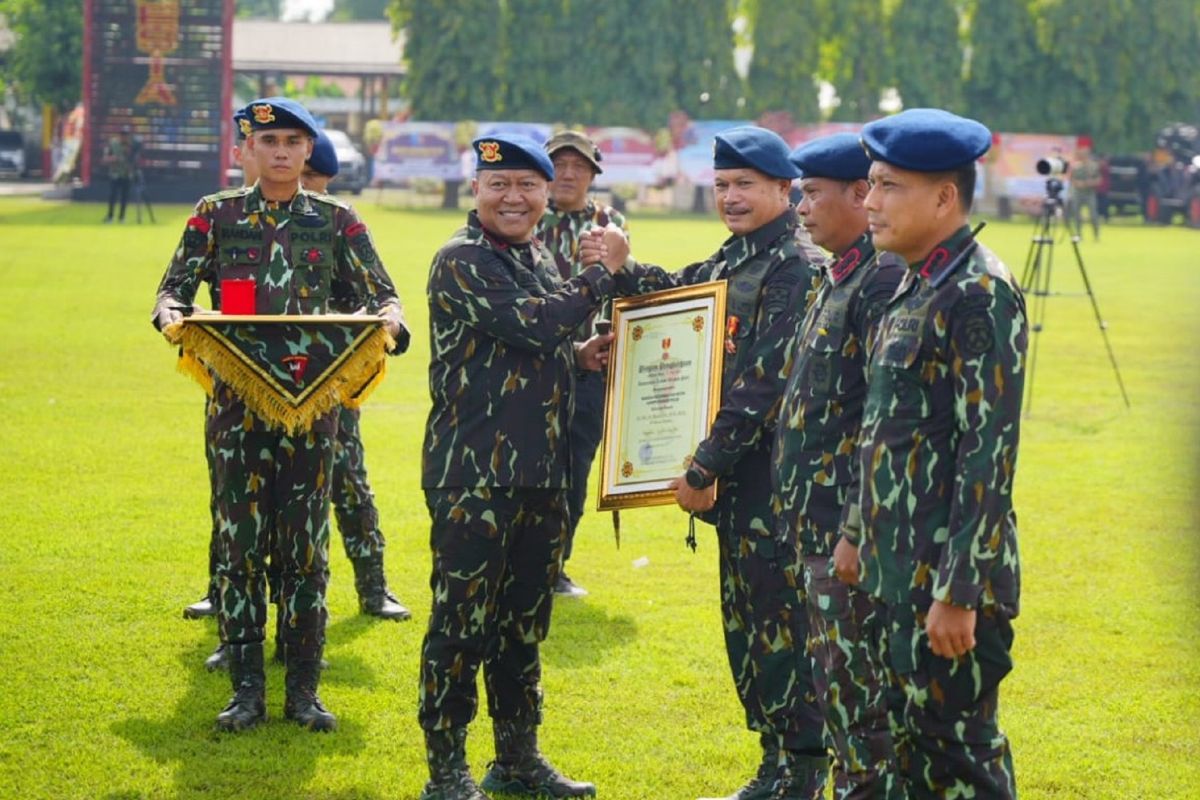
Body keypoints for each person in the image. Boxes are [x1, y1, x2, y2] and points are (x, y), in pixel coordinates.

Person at [583, 126, 829, 800]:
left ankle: (802, 771)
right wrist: (624, 267)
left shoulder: (796, 266)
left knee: (783, 631)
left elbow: (766, 381)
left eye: (745, 184)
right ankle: (776, 764)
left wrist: (702, 465)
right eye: (722, 185)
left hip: (775, 486)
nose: (730, 196)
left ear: (785, 189)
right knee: (750, 629)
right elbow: (673, 298)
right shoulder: (736, 258)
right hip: (736, 489)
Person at [152, 97, 409, 733]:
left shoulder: (337, 219)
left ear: (307, 151)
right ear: (244, 150)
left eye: (294, 141)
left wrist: (392, 323)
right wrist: (171, 317)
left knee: (305, 549)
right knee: (240, 547)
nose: (282, 152)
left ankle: (303, 691)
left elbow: (380, 294)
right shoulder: (215, 216)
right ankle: (245, 691)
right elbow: (172, 289)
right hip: (235, 410)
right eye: (268, 141)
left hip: (313, 414)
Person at [417, 133, 617, 800]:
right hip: (473, 477)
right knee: (461, 627)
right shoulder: (461, 259)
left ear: (543, 195)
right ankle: (447, 769)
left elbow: (545, 341)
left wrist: (582, 356)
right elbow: (533, 324)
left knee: (523, 627)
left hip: (541, 474)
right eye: (498, 184)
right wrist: (601, 276)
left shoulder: (536, 257)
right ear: (476, 189)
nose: (514, 197)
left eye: (527, 185)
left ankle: (517, 759)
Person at [838, 108, 1027, 797]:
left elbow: (990, 451)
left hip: (945, 578)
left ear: (945, 197)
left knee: (960, 755)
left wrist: (960, 591)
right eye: (869, 184)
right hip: (897, 569)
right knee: (913, 752)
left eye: (890, 187)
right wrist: (857, 532)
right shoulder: (917, 283)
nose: (871, 202)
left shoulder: (978, 294)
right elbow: (884, 429)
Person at [783, 134, 906, 798]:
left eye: (812, 194)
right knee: (839, 694)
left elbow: (879, 421)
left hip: (848, 532)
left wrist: (854, 527)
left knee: (861, 705)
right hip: (820, 524)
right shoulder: (841, 273)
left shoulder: (879, 279)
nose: (802, 208)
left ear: (860, 196)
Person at [300, 130, 412, 623]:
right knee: (242, 495)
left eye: (310, 177)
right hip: (255, 379)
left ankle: (374, 587)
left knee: (349, 484)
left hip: (331, 382)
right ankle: (223, 591)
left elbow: (379, 292)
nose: (299, 184)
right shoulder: (241, 220)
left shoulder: (336, 226)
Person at [535, 129, 629, 598]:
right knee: (529, 465)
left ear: (594, 174)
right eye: (560, 164)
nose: (568, 173)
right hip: (534, 363)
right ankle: (524, 563)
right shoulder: (525, 217)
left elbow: (624, 288)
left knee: (574, 467)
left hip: (590, 368)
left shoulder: (609, 224)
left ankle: (555, 565)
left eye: (579, 166)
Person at [101, 126, 136, 223]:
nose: (124, 137)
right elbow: (105, 158)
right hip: (115, 174)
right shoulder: (113, 144)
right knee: (113, 196)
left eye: (126, 135)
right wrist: (113, 158)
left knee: (125, 197)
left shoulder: (132, 145)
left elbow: (135, 159)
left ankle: (122, 217)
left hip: (126, 174)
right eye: (123, 135)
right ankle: (110, 216)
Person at [1069, 145, 1102, 241]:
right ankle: (1078, 235)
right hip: (1078, 193)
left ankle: (1096, 235)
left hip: (1089, 193)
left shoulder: (1093, 166)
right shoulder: (1076, 166)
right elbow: (1072, 179)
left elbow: (1099, 179)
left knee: (1093, 215)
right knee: (1077, 215)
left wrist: (1090, 183)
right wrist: (1078, 183)